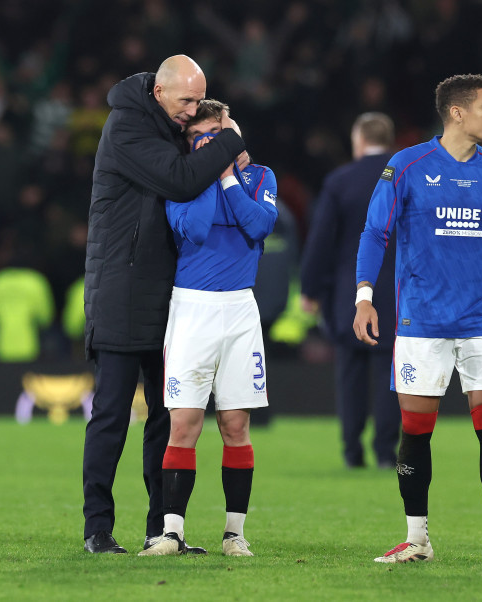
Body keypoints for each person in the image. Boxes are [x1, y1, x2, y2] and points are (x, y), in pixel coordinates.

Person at [354, 74, 482, 565]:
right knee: (416, 429)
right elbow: (374, 233)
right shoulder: (406, 166)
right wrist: (365, 296)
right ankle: (417, 539)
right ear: (457, 112)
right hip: (422, 321)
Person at [83, 55, 247, 554]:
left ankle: (163, 530)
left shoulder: (172, 127)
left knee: (165, 416)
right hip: (119, 290)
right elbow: (180, 179)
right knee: (111, 414)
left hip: (169, 295)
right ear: (158, 92)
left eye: (199, 100)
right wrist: (232, 140)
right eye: (186, 100)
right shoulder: (127, 126)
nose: (192, 109)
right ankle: (98, 530)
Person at [138, 99, 277, 557]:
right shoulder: (181, 183)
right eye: (205, 140)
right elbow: (195, 230)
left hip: (240, 309)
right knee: (185, 423)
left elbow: (259, 226)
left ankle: (234, 533)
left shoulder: (263, 178)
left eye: (223, 136)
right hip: (192, 310)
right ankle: (172, 533)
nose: (217, 146)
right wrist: (211, 174)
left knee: (236, 424)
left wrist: (228, 178)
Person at [300, 112, 400, 469]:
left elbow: (321, 241)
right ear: (388, 141)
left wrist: (309, 289)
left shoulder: (340, 181)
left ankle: (351, 450)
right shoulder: (406, 178)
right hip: (397, 293)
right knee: (393, 373)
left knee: (350, 372)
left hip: (350, 293)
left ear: (359, 141)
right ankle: (387, 452)